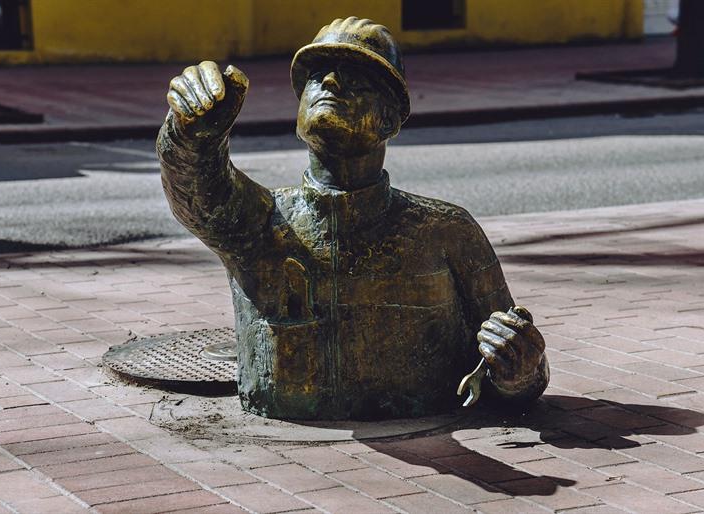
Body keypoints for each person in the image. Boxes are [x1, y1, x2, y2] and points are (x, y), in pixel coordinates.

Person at [157, 17, 549, 420]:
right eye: (316, 78)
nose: (329, 83)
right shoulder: (259, 222)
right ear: (298, 113)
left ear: (389, 119)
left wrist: (518, 368)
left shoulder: (446, 231)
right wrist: (190, 133)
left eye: (356, 80)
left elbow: (521, 370)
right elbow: (195, 189)